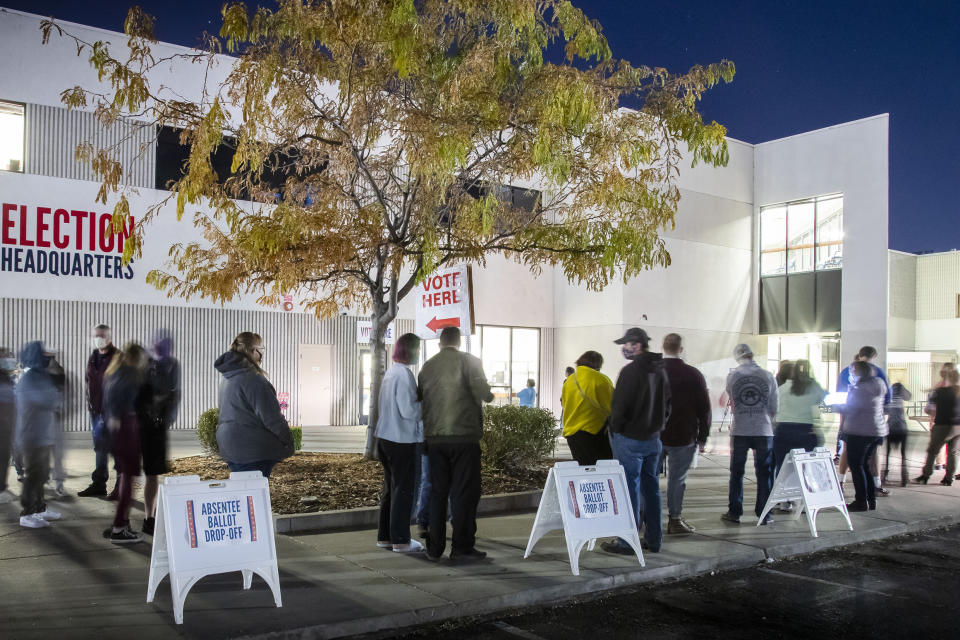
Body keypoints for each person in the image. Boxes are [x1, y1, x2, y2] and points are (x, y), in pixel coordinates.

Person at [418, 326, 493, 562]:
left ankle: (435, 546)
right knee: (463, 494)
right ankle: (461, 547)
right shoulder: (470, 362)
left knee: (438, 493)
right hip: (463, 438)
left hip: (435, 438)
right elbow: (484, 392)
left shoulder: (428, 366)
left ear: (440, 343)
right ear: (458, 342)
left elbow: (420, 398)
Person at [601, 327, 670, 555]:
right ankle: (654, 539)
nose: (624, 348)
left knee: (628, 489)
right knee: (651, 490)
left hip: (629, 438)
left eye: (627, 344)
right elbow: (667, 404)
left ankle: (626, 541)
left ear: (637, 344)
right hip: (653, 439)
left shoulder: (630, 372)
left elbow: (619, 406)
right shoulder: (660, 371)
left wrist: (615, 429)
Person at [215, 332, 295, 478]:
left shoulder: (228, 378)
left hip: (230, 446)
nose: (262, 355)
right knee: (253, 495)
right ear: (253, 351)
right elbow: (272, 419)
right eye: (261, 350)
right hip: (252, 450)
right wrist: (289, 443)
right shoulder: (254, 380)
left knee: (245, 492)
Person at [375, 333, 425, 553]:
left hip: (385, 437)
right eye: (418, 349)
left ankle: (385, 536)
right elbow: (409, 411)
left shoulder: (391, 373)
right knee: (404, 489)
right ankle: (401, 540)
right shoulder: (404, 375)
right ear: (411, 351)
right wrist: (425, 405)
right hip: (402, 440)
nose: (419, 353)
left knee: (391, 488)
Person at [660, 334, 711, 535]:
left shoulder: (652, 372)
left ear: (663, 347)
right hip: (683, 434)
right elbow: (704, 408)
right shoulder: (693, 374)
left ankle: (646, 517)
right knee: (677, 479)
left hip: (653, 435)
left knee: (648, 478)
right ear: (681, 349)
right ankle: (674, 519)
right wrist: (703, 436)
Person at [722, 343, 777, 525]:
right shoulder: (767, 375)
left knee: (736, 473)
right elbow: (774, 405)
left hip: (740, 429)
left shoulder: (733, 376)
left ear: (737, 357)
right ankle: (764, 514)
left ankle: (735, 512)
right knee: (764, 473)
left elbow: (731, 400)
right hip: (763, 429)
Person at [103, 343, 150, 543]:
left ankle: (121, 523)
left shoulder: (114, 372)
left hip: (118, 432)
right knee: (128, 480)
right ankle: (120, 527)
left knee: (125, 477)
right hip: (127, 430)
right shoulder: (129, 375)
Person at [15, 342, 62, 528]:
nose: (49, 358)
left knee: (42, 474)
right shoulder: (29, 379)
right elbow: (48, 400)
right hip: (31, 436)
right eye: (44, 355)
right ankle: (27, 512)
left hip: (43, 434)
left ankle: (40, 508)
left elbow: (53, 399)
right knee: (34, 475)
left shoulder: (41, 377)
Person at [139, 332, 181, 536]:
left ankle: (149, 517)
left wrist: (165, 420)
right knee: (135, 473)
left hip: (155, 427)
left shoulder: (172, 364)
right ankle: (130, 520)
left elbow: (173, 394)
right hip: (142, 423)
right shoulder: (145, 363)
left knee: (152, 474)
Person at [836, 346, 891, 496]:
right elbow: (888, 397)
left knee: (852, 457)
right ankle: (875, 486)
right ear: (874, 356)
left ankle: (843, 483)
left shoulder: (849, 377)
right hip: (876, 425)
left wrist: (839, 408)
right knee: (872, 457)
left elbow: (843, 398)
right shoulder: (879, 375)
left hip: (855, 423)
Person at [78, 324, 119, 497]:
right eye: (96, 335)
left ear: (109, 337)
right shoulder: (93, 357)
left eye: (101, 335)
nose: (98, 338)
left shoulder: (118, 357)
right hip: (95, 411)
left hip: (113, 412)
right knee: (100, 448)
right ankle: (99, 484)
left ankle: (121, 487)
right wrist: (91, 405)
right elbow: (88, 381)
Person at [561, 350, 614, 465]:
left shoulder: (569, 380)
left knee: (583, 468)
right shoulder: (600, 379)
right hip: (593, 431)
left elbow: (564, 404)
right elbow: (612, 406)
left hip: (571, 433)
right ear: (598, 364)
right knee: (600, 468)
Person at [773, 359, 826, 475]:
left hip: (783, 430)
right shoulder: (815, 388)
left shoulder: (783, 389)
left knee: (782, 470)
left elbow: (774, 409)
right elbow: (824, 406)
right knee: (806, 471)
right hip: (807, 432)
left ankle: (782, 492)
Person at [914, 364, 960, 486]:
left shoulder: (939, 392)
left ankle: (925, 475)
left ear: (944, 378)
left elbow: (929, 410)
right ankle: (948, 478)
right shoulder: (959, 390)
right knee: (953, 452)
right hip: (957, 427)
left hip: (943, 425)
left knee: (933, 451)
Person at [884, 382, 912, 487]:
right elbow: (909, 396)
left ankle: (885, 475)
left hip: (890, 428)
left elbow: (884, 410)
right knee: (903, 454)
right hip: (902, 428)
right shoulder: (901, 395)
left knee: (887, 454)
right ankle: (904, 477)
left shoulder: (888, 396)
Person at [0, 348, 16, 504]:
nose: (9, 360)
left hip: (6, 425)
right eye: (5, 357)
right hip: (2, 425)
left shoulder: (7, 377)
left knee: (4, 457)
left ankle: (2, 487)